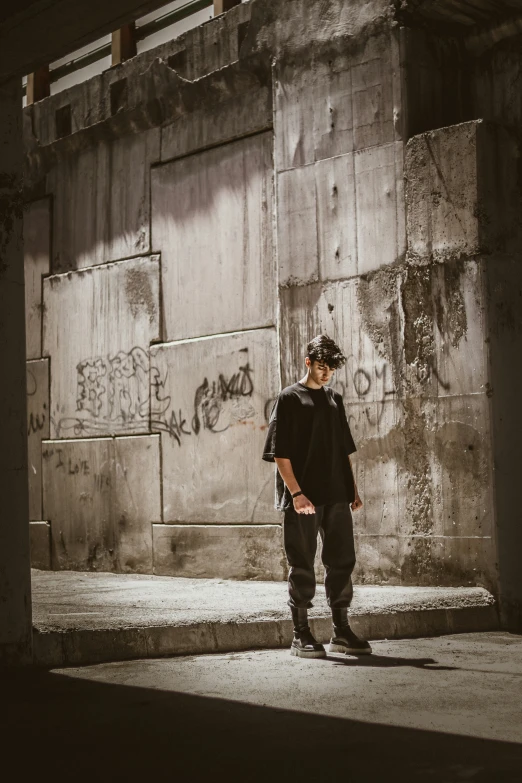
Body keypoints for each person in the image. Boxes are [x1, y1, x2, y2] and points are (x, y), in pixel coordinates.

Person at [262, 334, 372, 658]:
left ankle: (341, 631)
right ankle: (301, 633)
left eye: (331, 369)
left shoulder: (334, 401)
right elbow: (279, 453)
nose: (326, 374)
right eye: (321, 367)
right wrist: (296, 494)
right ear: (308, 362)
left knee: (341, 562)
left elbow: (344, 451)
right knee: (302, 564)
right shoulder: (289, 399)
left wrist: (352, 490)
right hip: (304, 499)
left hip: (337, 495)